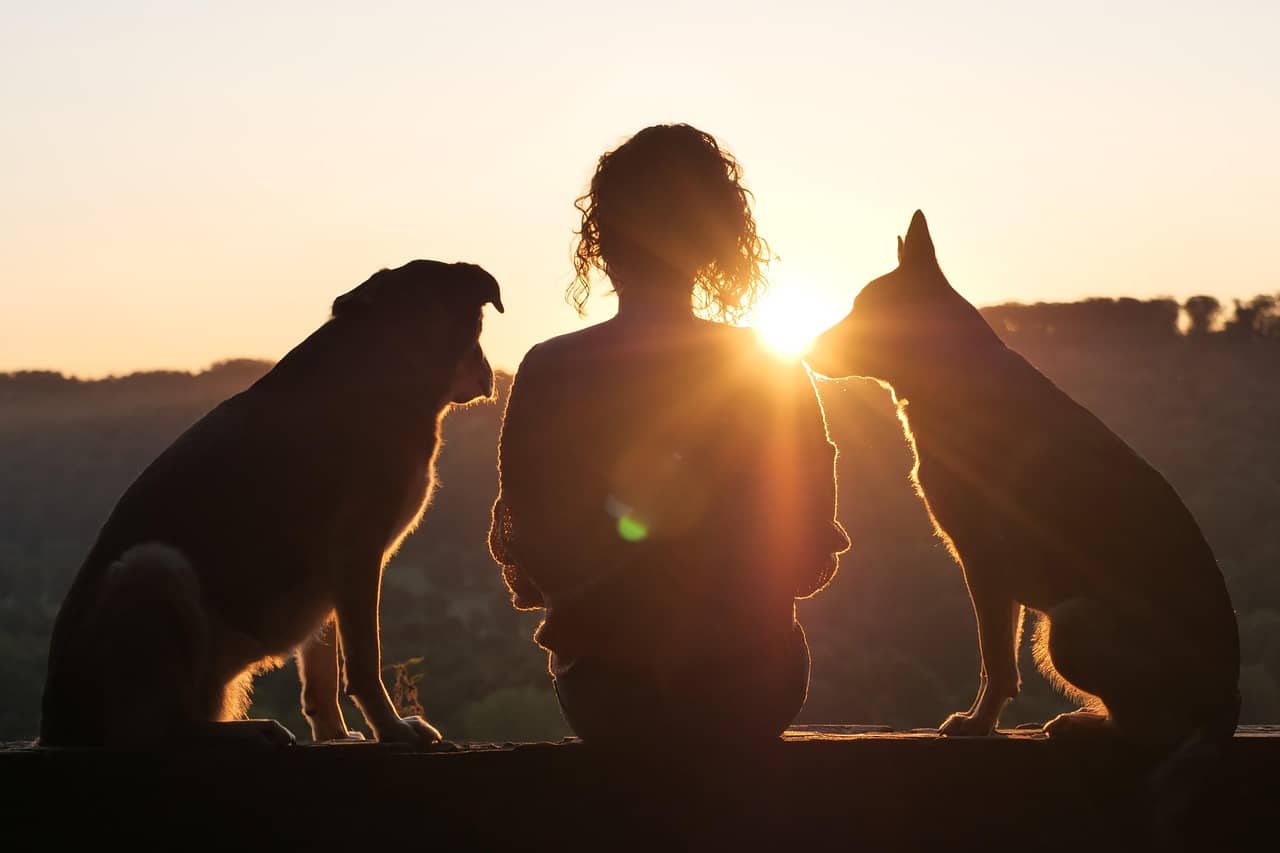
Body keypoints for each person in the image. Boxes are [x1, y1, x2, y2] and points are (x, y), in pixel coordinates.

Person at [489, 124, 849, 744]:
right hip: (755, 686)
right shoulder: (769, 366)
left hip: (610, 694)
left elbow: (530, 542)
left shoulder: (551, 368)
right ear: (717, 240)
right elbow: (809, 539)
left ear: (602, 237)